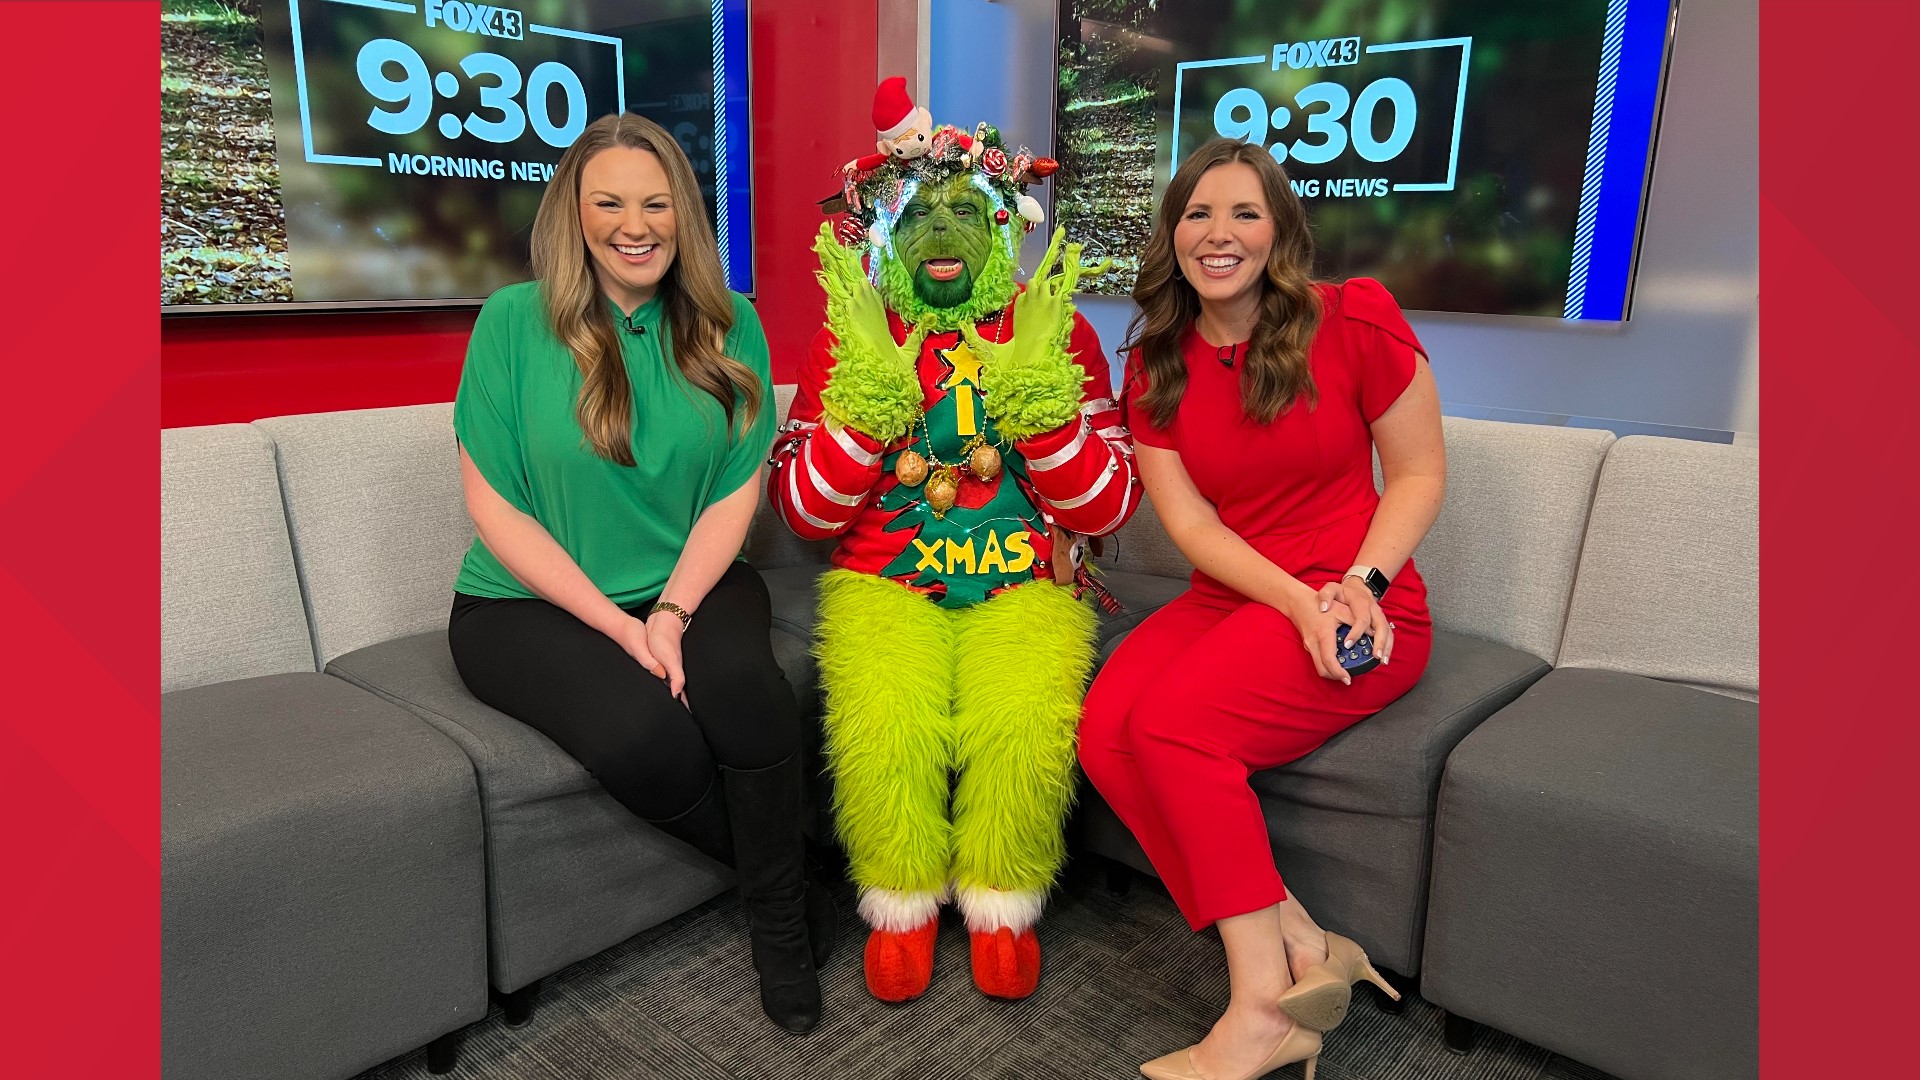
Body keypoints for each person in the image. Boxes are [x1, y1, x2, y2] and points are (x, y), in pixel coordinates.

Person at [444, 113, 833, 1035]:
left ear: (684, 216)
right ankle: (796, 884)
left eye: (657, 203)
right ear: (574, 216)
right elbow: (494, 506)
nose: (636, 223)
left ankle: (778, 929)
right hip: (527, 602)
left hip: (691, 578)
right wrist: (622, 627)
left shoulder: (731, 321)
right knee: (644, 739)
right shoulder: (511, 321)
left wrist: (669, 609)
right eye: (610, 201)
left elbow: (734, 492)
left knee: (750, 699)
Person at [1077, 137, 1446, 1080]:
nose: (1219, 232)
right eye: (1198, 213)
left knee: (1175, 728)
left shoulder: (1354, 319)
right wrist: (1290, 599)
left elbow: (1417, 475)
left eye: (1245, 212)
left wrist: (1353, 589)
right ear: (1173, 236)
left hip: (1361, 597)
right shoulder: (1157, 361)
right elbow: (1195, 528)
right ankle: (1303, 940)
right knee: (1106, 731)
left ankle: (1259, 1010)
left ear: (1278, 229)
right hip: (1244, 591)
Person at [767, 79, 1139, 1004]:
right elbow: (803, 515)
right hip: (882, 580)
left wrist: (1041, 414)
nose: (943, 234)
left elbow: (1110, 511)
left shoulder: (1058, 328)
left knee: (1023, 726)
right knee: (882, 725)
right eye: (922, 212)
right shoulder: (851, 334)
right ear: (888, 226)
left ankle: (1001, 903)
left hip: (1025, 585)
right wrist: (864, 414)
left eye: (965, 212)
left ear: (1004, 224)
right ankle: (901, 905)